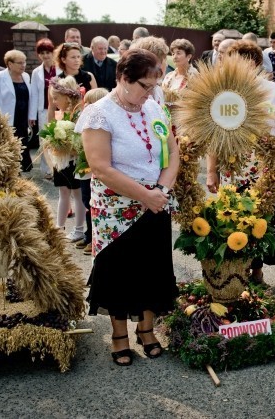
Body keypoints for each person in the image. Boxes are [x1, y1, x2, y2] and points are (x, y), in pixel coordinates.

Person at [75, 48, 179, 366]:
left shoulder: (154, 108)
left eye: (152, 87)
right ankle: (119, 335)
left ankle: (146, 330)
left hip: (155, 203)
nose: (149, 93)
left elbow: (173, 153)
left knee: (153, 268)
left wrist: (160, 190)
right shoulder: (100, 114)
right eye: (144, 86)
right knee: (118, 271)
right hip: (116, 209)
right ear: (122, 78)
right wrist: (143, 195)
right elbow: (101, 167)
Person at [205, 40, 275, 284]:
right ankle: (238, 272)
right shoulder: (224, 92)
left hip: (262, 171)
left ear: (252, 64)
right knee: (232, 219)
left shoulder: (271, 91)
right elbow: (214, 134)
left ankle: (256, 271)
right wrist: (212, 171)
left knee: (260, 222)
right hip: (233, 171)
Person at [47, 76, 86, 243]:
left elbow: (79, 139)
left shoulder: (78, 113)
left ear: (67, 97)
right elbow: (50, 125)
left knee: (78, 194)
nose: (54, 102)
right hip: (61, 160)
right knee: (63, 191)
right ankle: (59, 227)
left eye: (56, 98)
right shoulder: (60, 113)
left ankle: (78, 229)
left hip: (74, 160)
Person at [0, 50, 35, 172]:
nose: (23, 65)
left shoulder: (26, 76)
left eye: (24, 62)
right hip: (5, 119)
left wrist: (31, 116)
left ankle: (19, 173)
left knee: (21, 145)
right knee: (7, 148)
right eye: (20, 63)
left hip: (22, 118)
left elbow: (31, 97)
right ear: (10, 64)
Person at [76, 87, 110, 256]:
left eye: (90, 102)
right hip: (84, 169)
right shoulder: (84, 119)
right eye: (85, 102)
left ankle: (92, 237)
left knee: (92, 203)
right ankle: (89, 235)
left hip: (95, 171)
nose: (86, 105)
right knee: (85, 201)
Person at [30, 38, 57, 178]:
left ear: (53, 53)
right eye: (42, 53)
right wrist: (31, 116)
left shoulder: (59, 68)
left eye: (48, 52)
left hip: (58, 109)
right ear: (39, 55)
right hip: (43, 110)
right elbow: (34, 94)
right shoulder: (36, 72)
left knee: (58, 138)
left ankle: (58, 167)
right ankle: (47, 169)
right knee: (45, 140)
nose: (46, 55)